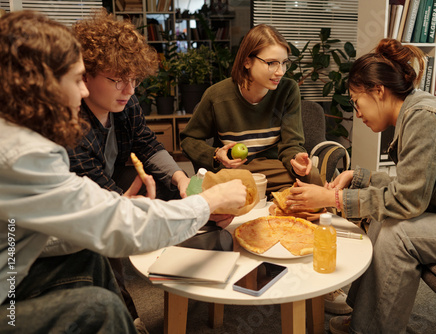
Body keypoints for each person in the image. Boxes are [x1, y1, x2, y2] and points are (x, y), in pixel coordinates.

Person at [0, 10, 246, 334]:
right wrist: (208, 202)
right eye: (77, 79)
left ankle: (129, 321)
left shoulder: (23, 134)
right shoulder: (28, 152)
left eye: (134, 79)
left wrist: (180, 182)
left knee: (90, 254)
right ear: (41, 84)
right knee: (100, 308)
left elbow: (144, 150)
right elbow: (113, 221)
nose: (84, 91)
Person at [286, 38, 436, 333]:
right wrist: (356, 177)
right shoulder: (418, 111)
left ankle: (369, 328)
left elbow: (408, 200)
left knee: (398, 231)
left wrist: (332, 198)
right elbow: (418, 186)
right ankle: (363, 319)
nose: (357, 113)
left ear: (378, 91)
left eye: (356, 101)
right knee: (386, 216)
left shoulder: (424, 118)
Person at [180, 24, 323, 194]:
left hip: (273, 169)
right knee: (209, 190)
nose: (280, 72)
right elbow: (189, 140)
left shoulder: (288, 90)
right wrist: (216, 154)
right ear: (247, 61)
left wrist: (296, 159)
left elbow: (291, 144)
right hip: (234, 172)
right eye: (271, 63)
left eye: (284, 63)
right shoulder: (216, 95)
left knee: (311, 175)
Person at [67, 9, 190, 201]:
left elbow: (146, 143)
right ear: (85, 75)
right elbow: (108, 200)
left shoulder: (126, 104)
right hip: (83, 198)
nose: (130, 90)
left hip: (111, 176)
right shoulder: (71, 128)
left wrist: (180, 177)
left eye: (134, 80)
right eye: (118, 80)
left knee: (173, 186)